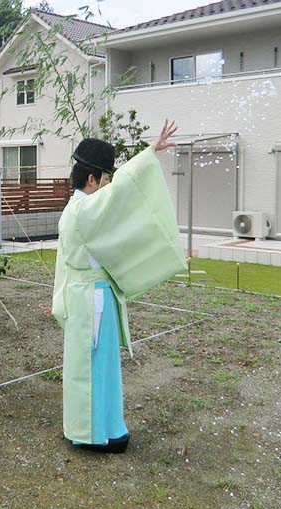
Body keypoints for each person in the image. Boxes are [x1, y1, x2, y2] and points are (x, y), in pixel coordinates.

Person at [52, 119, 186, 453]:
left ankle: (103, 427)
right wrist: (150, 152)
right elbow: (123, 190)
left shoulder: (78, 207)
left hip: (89, 295)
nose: (108, 185)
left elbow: (118, 192)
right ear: (92, 178)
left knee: (97, 366)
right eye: (105, 178)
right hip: (91, 298)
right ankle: (95, 433)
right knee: (95, 367)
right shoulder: (85, 209)